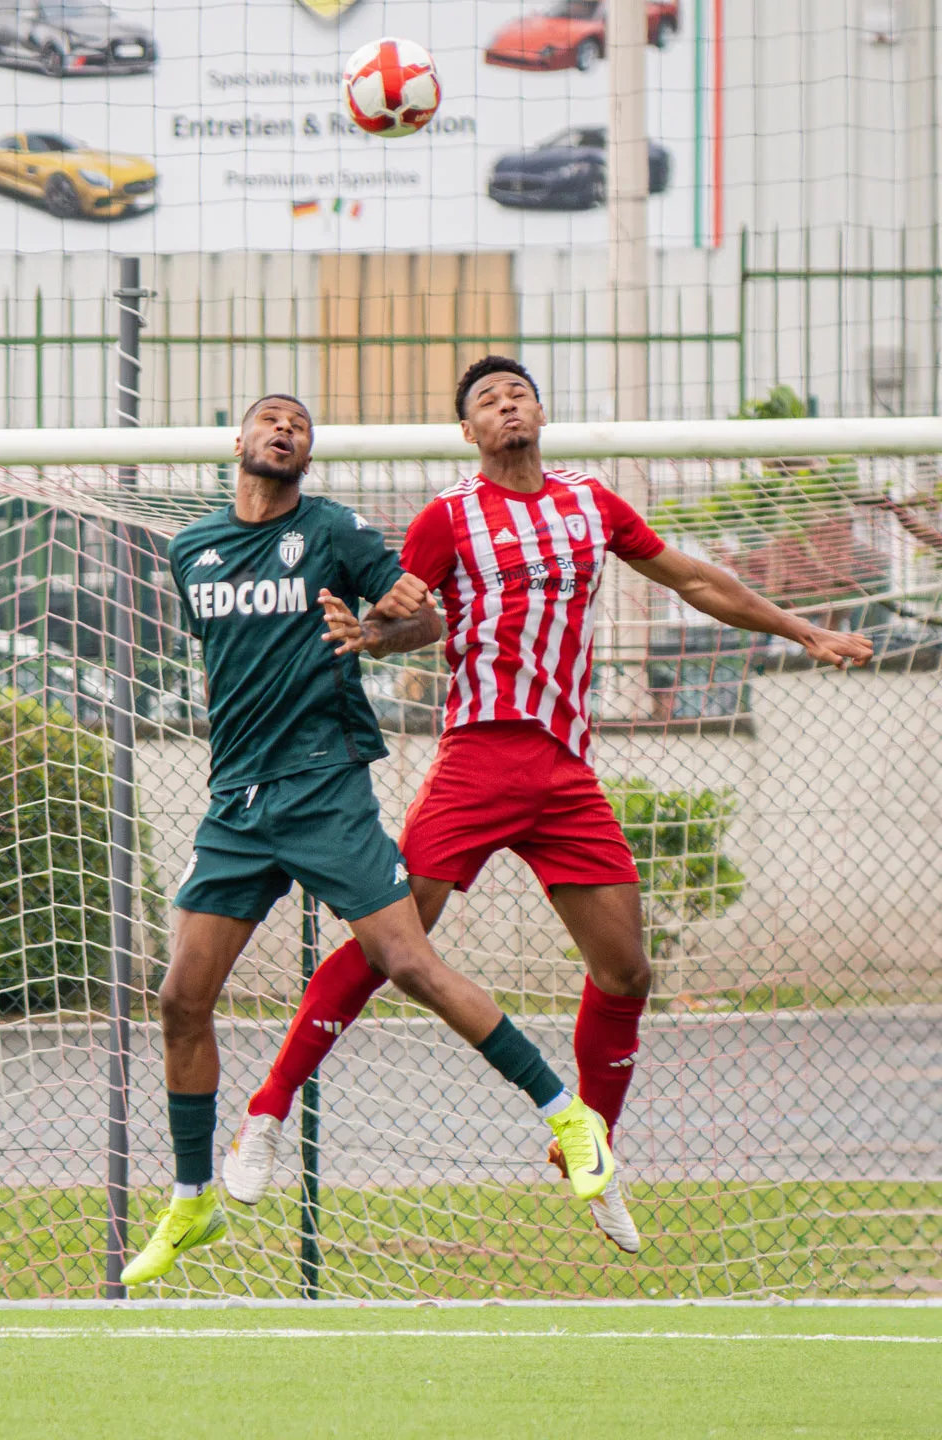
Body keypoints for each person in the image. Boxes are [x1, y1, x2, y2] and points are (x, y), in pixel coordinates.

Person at [223, 359, 874, 1254]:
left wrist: (806, 631)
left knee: (628, 973)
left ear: (541, 410)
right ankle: (266, 1112)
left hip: (566, 772)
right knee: (392, 946)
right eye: (486, 401)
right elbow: (413, 617)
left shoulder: (591, 503)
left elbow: (693, 579)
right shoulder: (448, 517)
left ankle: (588, 1151)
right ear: (468, 433)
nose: (505, 405)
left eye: (516, 393)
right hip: (476, 761)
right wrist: (371, 633)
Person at [121, 391, 616, 1287]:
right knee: (179, 1000)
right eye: (270, 419)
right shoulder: (190, 550)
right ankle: (192, 1200)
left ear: (308, 453)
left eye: (299, 425)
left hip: (326, 787)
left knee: (409, 963)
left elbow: (425, 618)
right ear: (238, 440)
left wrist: (381, 629)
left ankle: (565, 1113)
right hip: (235, 802)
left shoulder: (335, 531)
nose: (284, 430)